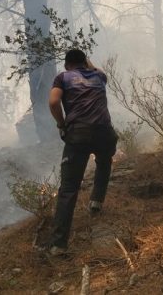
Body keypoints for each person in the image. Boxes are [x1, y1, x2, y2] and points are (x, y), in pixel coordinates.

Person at [47, 49, 118, 255]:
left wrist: (61, 124)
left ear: (67, 64)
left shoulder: (63, 77)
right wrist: (87, 61)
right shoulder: (99, 76)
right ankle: (96, 201)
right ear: (85, 63)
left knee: (69, 188)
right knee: (104, 161)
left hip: (78, 134)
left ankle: (58, 245)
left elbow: (53, 102)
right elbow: (96, 68)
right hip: (105, 131)